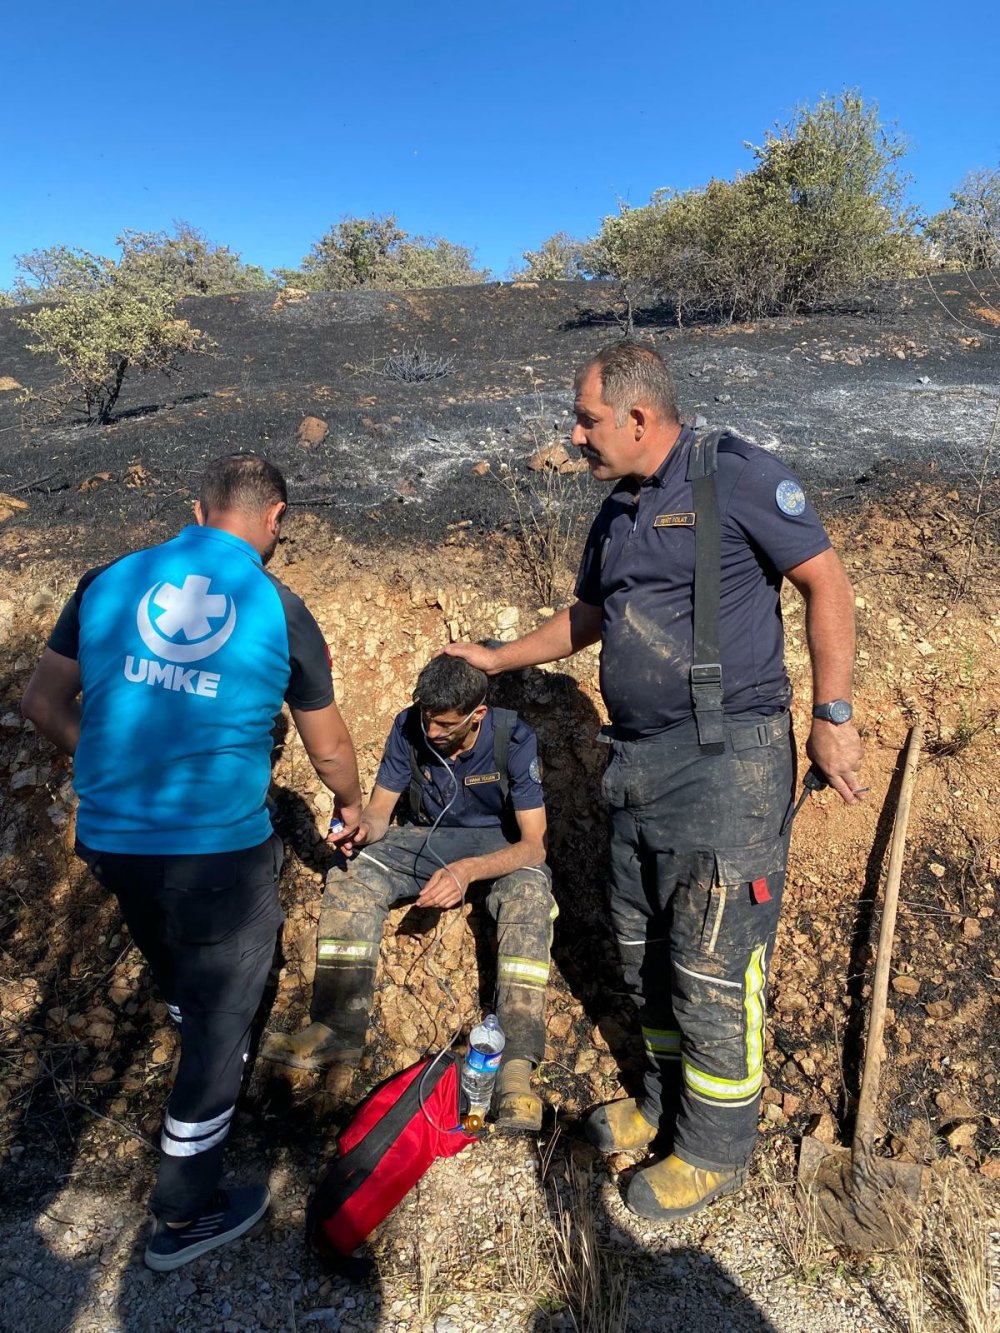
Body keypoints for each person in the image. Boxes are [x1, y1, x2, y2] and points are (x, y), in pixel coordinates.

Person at [447, 341, 864, 1220]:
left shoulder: (735, 476)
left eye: (587, 417)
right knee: (644, 958)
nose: (575, 434)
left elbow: (827, 581)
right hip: (636, 765)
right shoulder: (619, 508)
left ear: (639, 417)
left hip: (730, 763)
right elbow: (588, 617)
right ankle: (663, 1101)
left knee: (712, 960)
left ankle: (715, 1149)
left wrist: (833, 716)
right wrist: (493, 656)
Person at [21, 454, 363, 1271]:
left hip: (112, 841)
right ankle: (183, 1211)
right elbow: (330, 747)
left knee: (181, 973)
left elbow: (41, 700)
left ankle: (190, 1033)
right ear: (275, 519)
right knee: (220, 1025)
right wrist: (351, 807)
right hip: (216, 851)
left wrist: (106, 767)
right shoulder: (278, 607)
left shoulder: (106, 579)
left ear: (197, 510)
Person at [261, 653, 555, 1132]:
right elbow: (381, 812)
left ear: (477, 714)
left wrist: (467, 871)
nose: (432, 730)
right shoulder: (409, 727)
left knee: (530, 895)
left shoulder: (514, 738)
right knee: (352, 871)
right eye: (426, 718)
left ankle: (516, 1067)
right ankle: (336, 1026)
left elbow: (534, 844)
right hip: (421, 841)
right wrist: (362, 830)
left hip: (497, 851)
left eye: (444, 724)